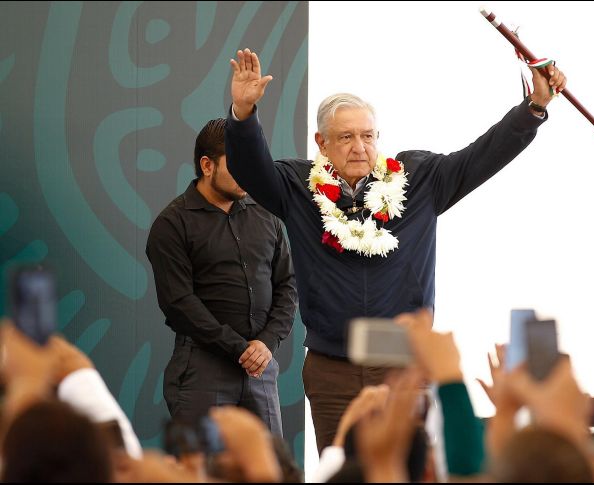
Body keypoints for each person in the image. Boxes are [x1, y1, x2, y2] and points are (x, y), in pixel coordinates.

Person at [224, 47, 567, 452]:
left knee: (408, 469)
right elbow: (250, 169)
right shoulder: (297, 186)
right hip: (331, 369)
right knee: (342, 471)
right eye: (346, 137)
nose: (359, 147)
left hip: (405, 366)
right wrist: (243, 114)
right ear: (321, 142)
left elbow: (482, 156)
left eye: (367, 136)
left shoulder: (420, 179)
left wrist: (534, 107)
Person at [146, 118, 297, 436]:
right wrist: (238, 348)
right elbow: (179, 303)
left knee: (268, 463)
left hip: (260, 367)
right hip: (202, 366)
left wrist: (266, 343)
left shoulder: (266, 215)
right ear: (207, 165)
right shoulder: (172, 224)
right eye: (238, 164)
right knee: (201, 463)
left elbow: (287, 284)